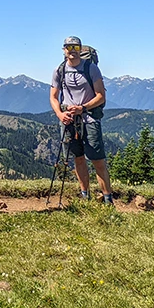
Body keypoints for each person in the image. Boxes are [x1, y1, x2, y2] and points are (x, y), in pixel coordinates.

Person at [50, 36, 116, 204]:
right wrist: (60, 114)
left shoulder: (91, 69)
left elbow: (101, 96)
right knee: (77, 157)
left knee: (97, 159)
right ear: (64, 50)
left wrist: (83, 108)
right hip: (68, 119)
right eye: (69, 47)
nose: (72, 50)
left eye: (76, 47)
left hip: (89, 118)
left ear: (81, 49)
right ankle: (85, 196)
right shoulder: (59, 70)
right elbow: (53, 97)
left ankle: (108, 199)